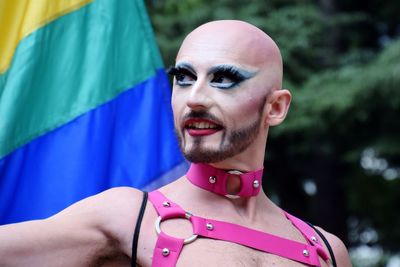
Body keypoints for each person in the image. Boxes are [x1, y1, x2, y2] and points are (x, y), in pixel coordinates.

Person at [0, 20, 351, 267]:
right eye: (183, 78)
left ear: (275, 108)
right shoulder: (128, 217)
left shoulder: (327, 251)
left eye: (224, 79)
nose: (194, 98)